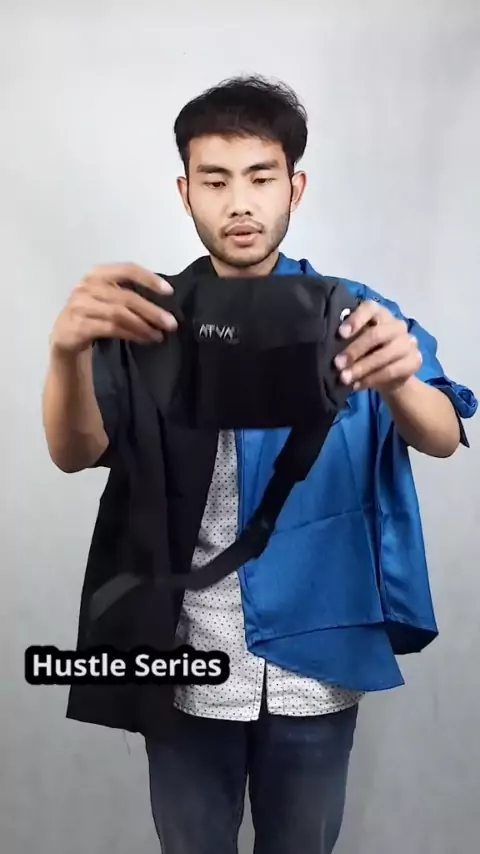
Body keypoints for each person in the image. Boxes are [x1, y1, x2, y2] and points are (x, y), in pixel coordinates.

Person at [42, 76, 477, 854]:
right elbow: (75, 452)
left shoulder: (355, 310)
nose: (240, 203)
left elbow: (443, 434)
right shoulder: (146, 317)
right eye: (215, 181)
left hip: (317, 658)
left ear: (294, 188)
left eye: (260, 177)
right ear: (185, 193)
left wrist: (400, 377)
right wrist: (66, 352)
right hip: (185, 658)